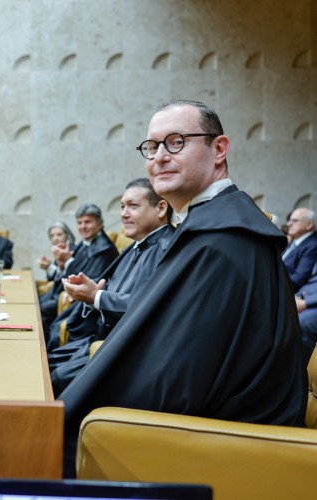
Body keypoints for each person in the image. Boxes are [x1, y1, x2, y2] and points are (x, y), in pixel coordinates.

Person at [58, 99, 306, 478]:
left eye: (176, 142)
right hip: (217, 416)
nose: (159, 156)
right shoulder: (209, 225)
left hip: (231, 440)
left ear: (219, 149)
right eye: (151, 146)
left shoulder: (224, 240)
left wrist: (75, 404)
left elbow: (178, 380)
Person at [48, 178, 174, 392]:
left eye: (133, 206)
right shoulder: (135, 246)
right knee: (43, 362)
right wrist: (90, 293)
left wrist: (95, 297)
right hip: (99, 339)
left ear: (161, 208)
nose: (124, 214)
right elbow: (108, 289)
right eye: (122, 206)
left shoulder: (166, 249)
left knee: (54, 376)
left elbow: (146, 306)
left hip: (123, 352)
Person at [38, 204, 118, 333]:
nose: (83, 227)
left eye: (87, 222)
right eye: (79, 223)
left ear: (100, 223)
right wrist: (63, 263)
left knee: (50, 320)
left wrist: (67, 260)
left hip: (87, 304)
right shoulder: (86, 242)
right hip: (68, 294)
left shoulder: (103, 249)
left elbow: (89, 278)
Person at [282, 208, 317, 290]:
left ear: (309, 225)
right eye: (290, 220)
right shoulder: (294, 241)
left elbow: (299, 278)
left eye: (295, 221)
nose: (289, 224)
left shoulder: (313, 245)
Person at [295, 262, 317, 362]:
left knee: (301, 322)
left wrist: (306, 302)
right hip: (305, 295)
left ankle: (302, 369)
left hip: (312, 303)